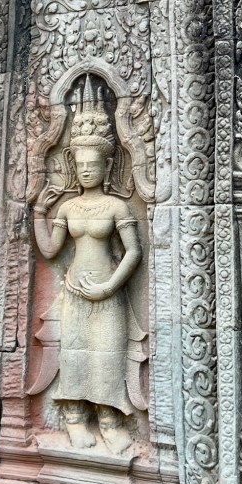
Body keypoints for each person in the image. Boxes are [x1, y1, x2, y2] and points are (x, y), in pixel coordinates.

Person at [32, 97, 146, 455]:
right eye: (80, 165)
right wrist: (39, 213)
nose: (85, 171)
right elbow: (50, 250)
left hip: (108, 291)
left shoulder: (117, 206)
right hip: (75, 292)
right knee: (75, 356)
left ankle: (110, 421)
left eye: (92, 165)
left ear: (107, 165)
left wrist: (110, 285)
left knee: (107, 356)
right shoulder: (68, 207)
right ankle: (75, 419)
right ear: (72, 164)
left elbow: (134, 252)